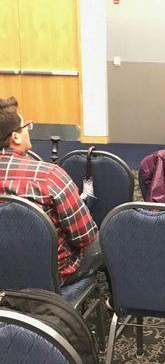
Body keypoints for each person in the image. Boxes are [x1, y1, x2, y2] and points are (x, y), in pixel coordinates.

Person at [0, 96, 100, 286]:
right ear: (16, 137)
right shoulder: (49, 176)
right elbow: (84, 236)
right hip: (50, 275)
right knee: (104, 240)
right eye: (26, 127)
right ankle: (114, 304)